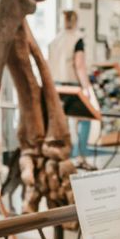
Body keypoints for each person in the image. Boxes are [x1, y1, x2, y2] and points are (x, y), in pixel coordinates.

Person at [48, 10, 92, 158]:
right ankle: (80, 153)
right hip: (72, 86)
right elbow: (79, 65)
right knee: (86, 118)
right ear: (76, 21)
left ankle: (66, 153)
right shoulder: (77, 40)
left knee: (63, 120)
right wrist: (87, 88)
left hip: (56, 86)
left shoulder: (54, 41)